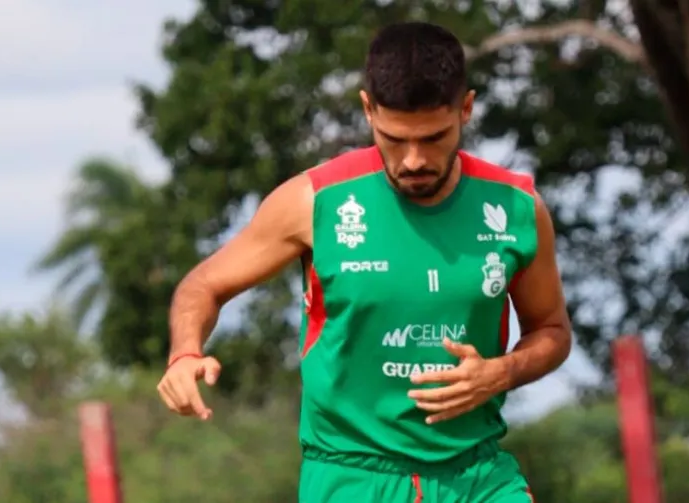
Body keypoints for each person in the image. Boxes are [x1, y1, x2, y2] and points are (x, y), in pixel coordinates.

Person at [156, 20, 571, 503]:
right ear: (368, 110)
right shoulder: (315, 202)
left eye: (434, 137)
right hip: (352, 478)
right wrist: (185, 353)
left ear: (467, 109)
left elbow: (552, 331)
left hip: (479, 475)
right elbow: (203, 285)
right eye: (395, 139)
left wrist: (503, 372)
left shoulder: (517, 209)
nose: (414, 159)